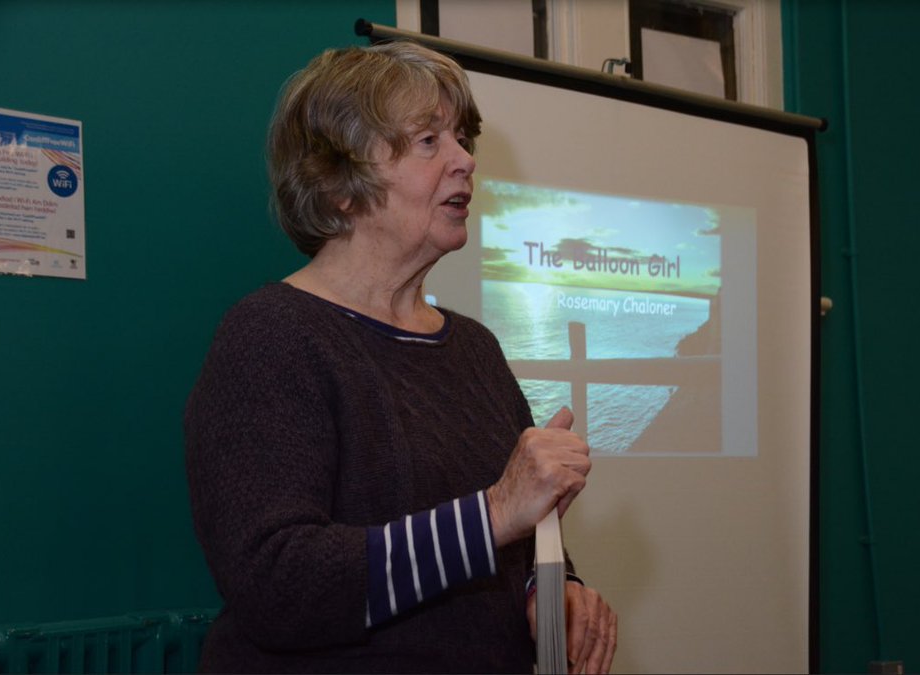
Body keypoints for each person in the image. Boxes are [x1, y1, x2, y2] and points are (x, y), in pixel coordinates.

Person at [184, 39, 617, 674]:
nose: (466, 160)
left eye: (463, 138)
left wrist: (550, 592)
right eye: (428, 141)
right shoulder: (272, 334)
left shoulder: (473, 347)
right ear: (338, 185)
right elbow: (275, 585)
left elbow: (508, 533)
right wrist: (496, 511)